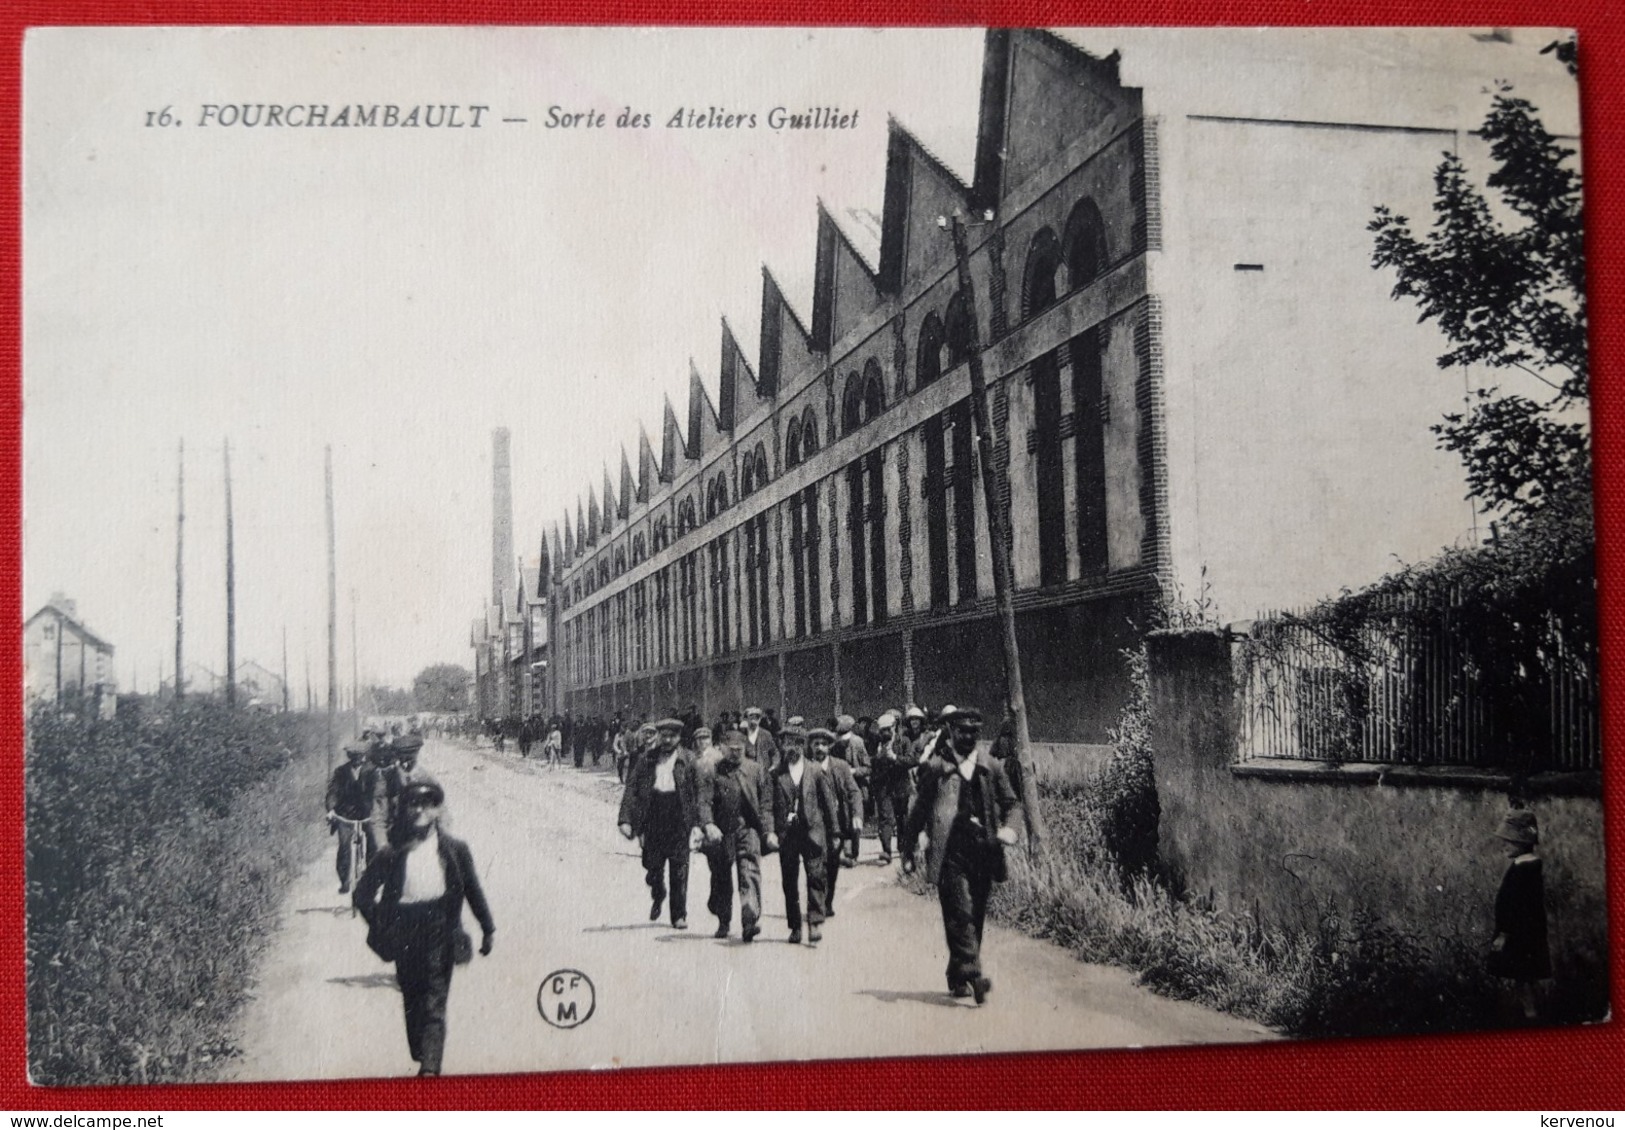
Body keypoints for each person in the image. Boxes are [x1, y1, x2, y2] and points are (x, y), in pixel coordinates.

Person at [353, 778, 495, 1076]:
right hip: (403, 930)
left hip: (440, 929)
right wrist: (380, 925)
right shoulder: (392, 853)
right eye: (413, 804)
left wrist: (487, 927)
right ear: (404, 810)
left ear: (437, 809)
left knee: (434, 998)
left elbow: (472, 889)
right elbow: (362, 894)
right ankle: (422, 1050)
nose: (420, 810)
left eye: (427, 804)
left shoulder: (455, 850)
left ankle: (430, 1069)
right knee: (412, 996)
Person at [902, 705, 1020, 1005]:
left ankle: (957, 975)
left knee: (976, 914)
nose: (968, 737)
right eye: (962, 731)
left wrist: (1010, 829)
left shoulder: (991, 767)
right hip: (949, 852)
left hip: (983, 851)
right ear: (951, 733)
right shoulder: (935, 769)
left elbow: (1012, 804)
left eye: (973, 732)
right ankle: (974, 973)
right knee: (960, 911)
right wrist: (908, 847)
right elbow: (918, 812)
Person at [617, 718, 701, 929]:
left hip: (679, 816)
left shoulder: (689, 760)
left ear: (679, 738)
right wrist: (625, 820)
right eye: (663, 736)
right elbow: (632, 788)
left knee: (680, 867)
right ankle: (658, 891)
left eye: (672, 736)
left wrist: (699, 824)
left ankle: (679, 915)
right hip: (653, 815)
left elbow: (699, 793)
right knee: (652, 865)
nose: (667, 740)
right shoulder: (647, 759)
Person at [768, 725, 840, 945]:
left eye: (796, 742)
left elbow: (828, 804)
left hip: (813, 832)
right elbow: (767, 806)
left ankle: (815, 921)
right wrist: (770, 831)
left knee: (816, 876)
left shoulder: (815, 770)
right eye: (787, 742)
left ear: (803, 745)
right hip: (787, 835)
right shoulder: (776, 774)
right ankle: (795, 927)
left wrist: (835, 831)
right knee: (789, 882)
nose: (792, 747)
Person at [697, 726, 771, 940]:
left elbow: (766, 802)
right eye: (731, 750)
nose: (736, 753)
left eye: (739, 749)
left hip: (748, 829)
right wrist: (709, 824)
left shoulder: (755, 769)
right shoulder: (712, 770)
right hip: (721, 831)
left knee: (749, 872)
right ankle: (723, 920)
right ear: (722, 749)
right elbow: (704, 801)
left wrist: (767, 830)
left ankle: (749, 919)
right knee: (721, 877)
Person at [1489, 807, 1550, 1020]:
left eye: (1509, 840)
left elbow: (1515, 906)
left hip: (1518, 934)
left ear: (1522, 842)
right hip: (1525, 932)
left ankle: (1531, 1016)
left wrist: (1504, 934)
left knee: (1522, 977)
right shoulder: (1527, 866)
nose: (1504, 845)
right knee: (1525, 976)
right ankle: (1533, 1013)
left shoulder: (1523, 870)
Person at [808, 727, 861, 916]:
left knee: (831, 865)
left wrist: (857, 815)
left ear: (830, 746)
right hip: (814, 824)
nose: (820, 748)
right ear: (811, 747)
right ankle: (818, 902)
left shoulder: (841, 767)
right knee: (816, 865)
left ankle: (827, 901)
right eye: (816, 744)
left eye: (823, 744)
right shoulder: (806, 768)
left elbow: (854, 791)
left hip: (837, 823)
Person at [326, 739, 383, 893]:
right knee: (344, 845)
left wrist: (377, 811)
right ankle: (345, 880)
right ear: (350, 756)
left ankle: (372, 879)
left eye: (360, 756)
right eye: (354, 756)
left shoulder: (373, 771)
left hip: (367, 813)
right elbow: (333, 792)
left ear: (364, 756)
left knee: (374, 843)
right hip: (345, 813)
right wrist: (331, 809)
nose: (357, 759)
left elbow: (379, 793)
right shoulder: (340, 772)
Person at [869, 711, 916, 866]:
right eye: (882, 731)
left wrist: (895, 757)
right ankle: (886, 850)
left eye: (887, 730)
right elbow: (871, 763)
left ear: (894, 728)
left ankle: (902, 846)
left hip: (901, 786)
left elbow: (911, 760)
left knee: (902, 817)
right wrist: (879, 758)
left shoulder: (904, 742)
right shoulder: (876, 743)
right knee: (885, 818)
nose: (885, 733)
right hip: (883, 787)